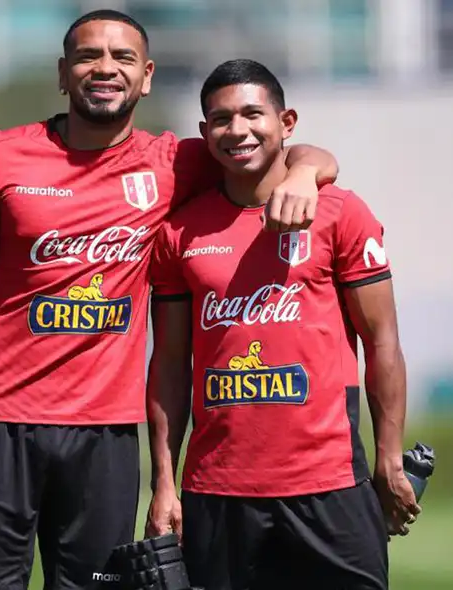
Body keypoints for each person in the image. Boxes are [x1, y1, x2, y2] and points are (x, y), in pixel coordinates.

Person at [0, 10, 341, 590]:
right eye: (88, 56)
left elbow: (282, 148)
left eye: (122, 58)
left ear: (147, 76)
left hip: (106, 437)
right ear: (63, 73)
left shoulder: (177, 164)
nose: (104, 68)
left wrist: (305, 174)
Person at [145, 59, 420, 590]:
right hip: (218, 494)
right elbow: (171, 365)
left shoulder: (340, 213)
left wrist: (388, 457)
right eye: (222, 119)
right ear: (205, 134)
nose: (238, 130)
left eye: (253, 114)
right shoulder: (178, 233)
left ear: (286, 122)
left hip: (331, 487)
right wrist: (163, 482)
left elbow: (383, 341)